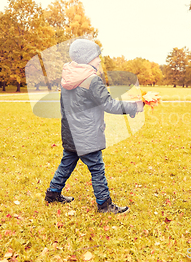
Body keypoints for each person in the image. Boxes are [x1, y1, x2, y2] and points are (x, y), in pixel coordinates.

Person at [44, 38, 143, 214]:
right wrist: (134, 106)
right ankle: (104, 205)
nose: (99, 59)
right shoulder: (92, 80)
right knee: (97, 168)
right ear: (88, 58)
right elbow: (109, 104)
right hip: (86, 135)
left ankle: (53, 194)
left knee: (67, 163)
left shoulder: (67, 77)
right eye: (97, 56)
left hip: (70, 132)